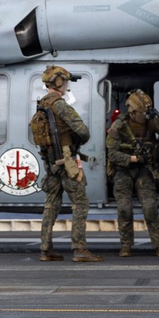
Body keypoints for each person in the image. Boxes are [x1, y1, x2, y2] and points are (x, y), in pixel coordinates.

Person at [33, 65, 103, 263]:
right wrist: (75, 141)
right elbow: (83, 131)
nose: (66, 85)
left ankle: (46, 249)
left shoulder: (42, 104)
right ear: (59, 82)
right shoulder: (60, 105)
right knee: (80, 203)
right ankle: (79, 248)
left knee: (51, 203)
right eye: (64, 81)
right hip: (67, 160)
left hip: (50, 161)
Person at [107, 90, 159, 257]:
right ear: (132, 112)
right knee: (124, 209)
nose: (145, 115)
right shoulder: (120, 125)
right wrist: (132, 158)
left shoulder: (152, 122)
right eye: (142, 112)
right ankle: (126, 245)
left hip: (144, 169)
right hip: (123, 170)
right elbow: (111, 153)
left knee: (150, 208)